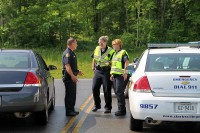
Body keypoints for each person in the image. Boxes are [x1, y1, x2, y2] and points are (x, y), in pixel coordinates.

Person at [91, 36, 115, 113]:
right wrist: (93, 67)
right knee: (94, 88)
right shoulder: (97, 48)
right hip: (98, 71)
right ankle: (97, 105)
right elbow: (94, 58)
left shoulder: (111, 51)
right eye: (99, 42)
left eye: (101, 42)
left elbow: (115, 62)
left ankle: (108, 107)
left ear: (105, 42)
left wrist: (110, 63)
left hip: (106, 71)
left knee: (107, 90)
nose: (100, 44)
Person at [62, 38, 83, 116]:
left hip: (72, 76)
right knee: (69, 94)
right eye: (76, 43)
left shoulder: (72, 52)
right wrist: (72, 76)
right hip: (69, 77)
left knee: (73, 94)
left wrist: (77, 71)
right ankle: (69, 111)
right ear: (72, 43)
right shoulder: (67, 53)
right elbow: (67, 66)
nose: (77, 45)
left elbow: (72, 66)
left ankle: (72, 109)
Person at [110, 39, 129, 116]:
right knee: (117, 92)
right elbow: (114, 65)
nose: (113, 46)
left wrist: (125, 72)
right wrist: (112, 74)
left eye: (114, 44)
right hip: (115, 75)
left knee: (119, 92)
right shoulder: (114, 54)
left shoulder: (123, 52)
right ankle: (120, 109)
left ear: (118, 45)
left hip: (121, 76)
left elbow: (126, 62)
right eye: (112, 44)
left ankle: (122, 110)